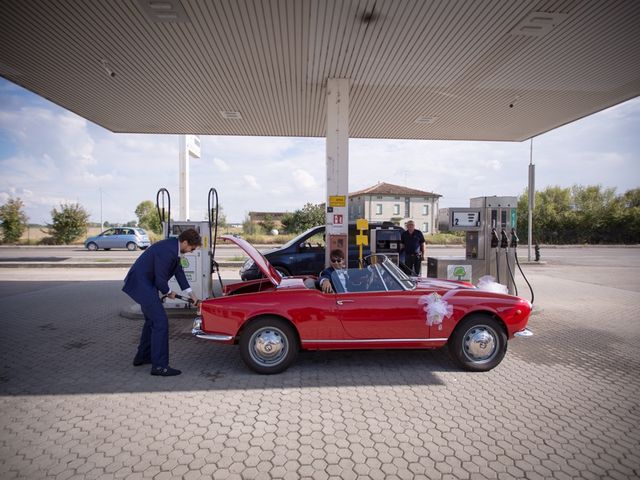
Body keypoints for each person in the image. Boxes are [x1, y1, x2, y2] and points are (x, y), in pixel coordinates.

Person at [123, 228, 202, 376]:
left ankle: (143, 356)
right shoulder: (168, 251)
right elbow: (160, 278)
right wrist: (167, 292)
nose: (192, 251)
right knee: (160, 322)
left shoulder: (174, 248)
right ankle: (159, 366)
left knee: (151, 321)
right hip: (142, 284)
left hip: (146, 284)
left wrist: (192, 295)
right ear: (185, 242)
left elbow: (179, 273)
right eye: (192, 248)